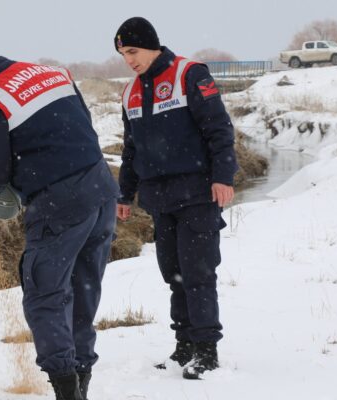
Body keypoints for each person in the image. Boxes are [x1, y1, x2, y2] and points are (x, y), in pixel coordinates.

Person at [0, 42, 119, 400]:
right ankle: (81, 381)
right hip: (101, 187)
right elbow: (82, 124)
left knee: (45, 294)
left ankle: (67, 392)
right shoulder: (51, 73)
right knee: (85, 289)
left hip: (59, 202)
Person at [113, 17, 238, 379]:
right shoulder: (130, 92)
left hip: (198, 193)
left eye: (133, 51)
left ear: (151, 45)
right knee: (174, 274)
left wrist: (223, 177)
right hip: (159, 199)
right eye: (123, 54)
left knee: (198, 273)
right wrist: (126, 192)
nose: (129, 60)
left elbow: (218, 128)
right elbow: (131, 148)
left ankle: (206, 350)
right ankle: (184, 346)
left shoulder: (189, 74)